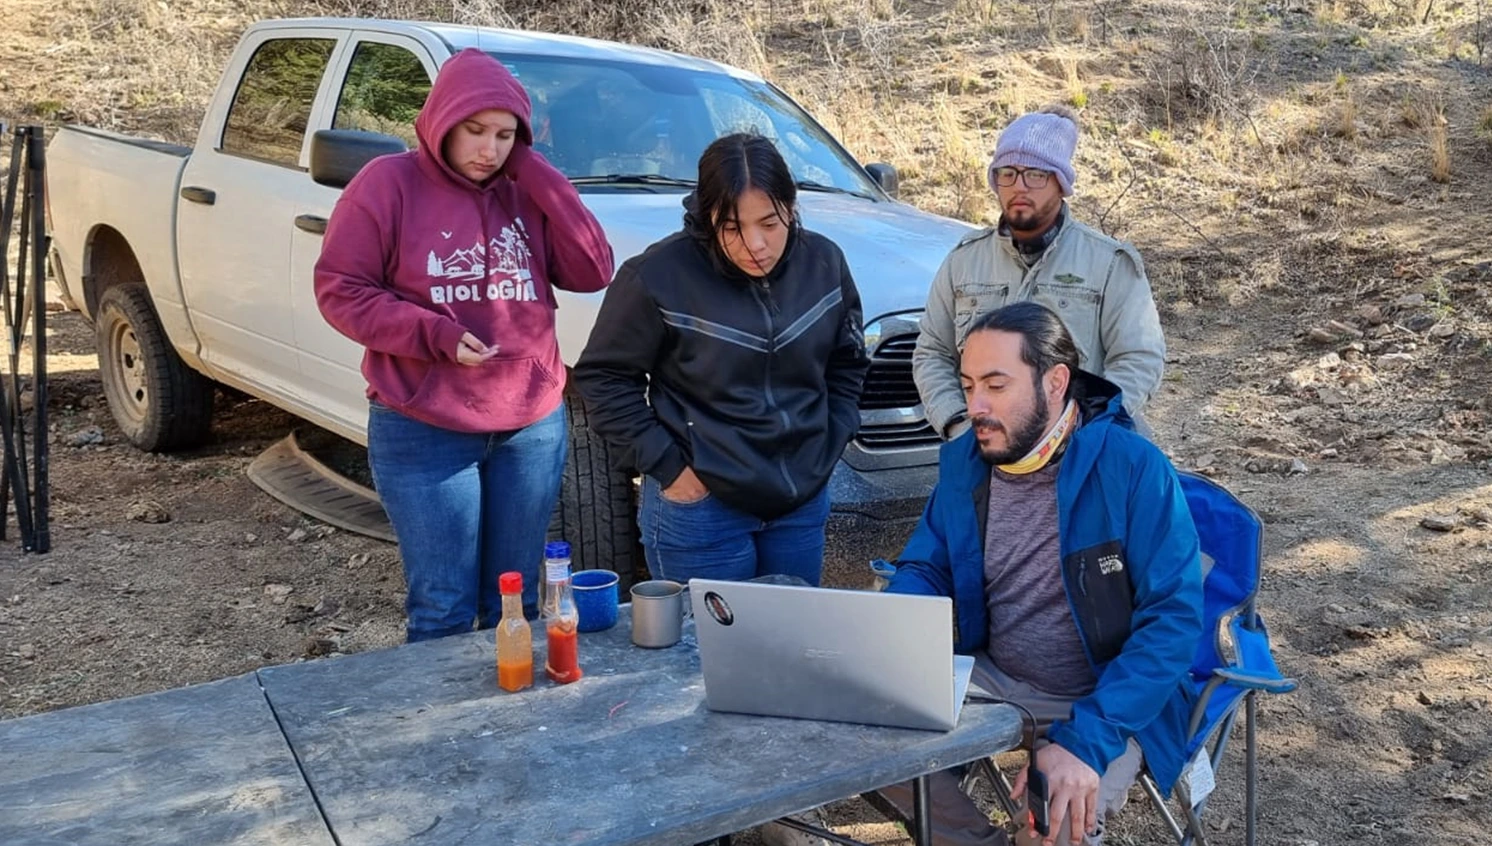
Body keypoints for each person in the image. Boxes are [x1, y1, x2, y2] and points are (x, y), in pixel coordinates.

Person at [314, 48, 615, 642]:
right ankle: (445, 732)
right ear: (441, 122)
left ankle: (511, 725)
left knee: (516, 598)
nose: (489, 149)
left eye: (507, 135)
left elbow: (593, 268)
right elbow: (340, 290)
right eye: (475, 130)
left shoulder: (523, 187)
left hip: (529, 423)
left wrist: (535, 172)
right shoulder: (388, 184)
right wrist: (437, 335)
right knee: (445, 606)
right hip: (425, 424)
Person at [877, 301, 1203, 846]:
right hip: (993, 676)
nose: (975, 406)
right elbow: (926, 568)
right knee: (865, 736)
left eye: (996, 385)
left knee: (1057, 820)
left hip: (1106, 694)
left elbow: (1172, 620)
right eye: (967, 385)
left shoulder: (1132, 467)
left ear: (1055, 383)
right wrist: (892, 626)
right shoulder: (965, 463)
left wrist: (1088, 742)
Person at [573, 133, 870, 588]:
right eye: (732, 227)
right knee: (704, 657)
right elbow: (604, 377)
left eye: (769, 223)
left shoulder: (825, 263)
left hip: (801, 503)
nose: (755, 244)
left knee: (788, 649)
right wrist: (670, 469)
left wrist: (830, 440)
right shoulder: (657, 276)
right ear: (706, 215)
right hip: (701, 509)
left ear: (791, 208)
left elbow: (847, 363)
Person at [913, 105, 1166, 441]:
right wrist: (959, 424)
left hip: (1086, 449)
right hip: (987, 452)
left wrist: (1084, 428)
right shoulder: (963, 262)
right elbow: (933, 353)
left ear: (1060, 184)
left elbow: (1139, 358)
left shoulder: (1109, 263)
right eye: (1007, 173)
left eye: (1035, 174)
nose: (1019, 186)